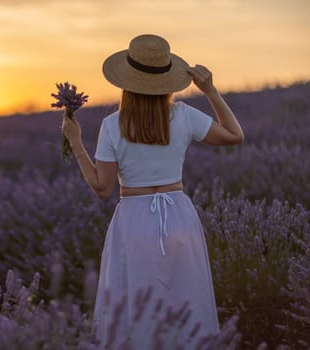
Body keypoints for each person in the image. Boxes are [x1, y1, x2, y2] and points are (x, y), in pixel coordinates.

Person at [61, 34, 244, 348]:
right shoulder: (183, 115)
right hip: (179, 217)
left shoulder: (112, 124)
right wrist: (211, 90)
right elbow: (233, 135)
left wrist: (75, 141)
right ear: (166, 80)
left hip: (133, 221)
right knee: (186, 303)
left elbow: (102, 189)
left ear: (127, 81)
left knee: (136, 309)